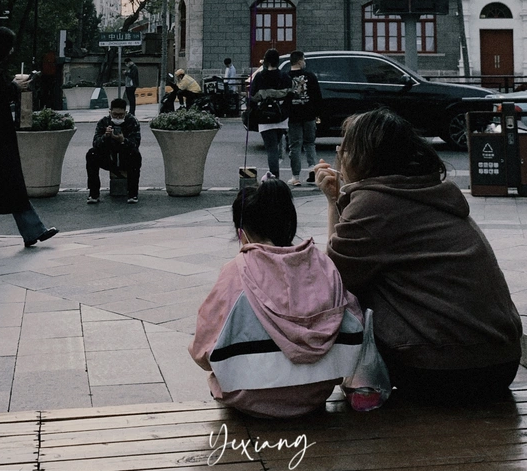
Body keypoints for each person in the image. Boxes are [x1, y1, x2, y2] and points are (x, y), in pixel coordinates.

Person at [316, 107, 523, 406]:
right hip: (500, 363)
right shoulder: (432, 191)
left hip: (444, 370)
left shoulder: (374, 204)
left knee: (356, 295)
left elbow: (335, 278)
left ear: (362, 156)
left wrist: (333, 203)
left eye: (343, 149)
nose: (339, 157)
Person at [188, 178, 366, 417]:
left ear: (242, 234)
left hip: (247, 397)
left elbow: (202, 351)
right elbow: (354, 318)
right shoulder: (322, 264)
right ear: (288, 224)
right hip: (315, 392)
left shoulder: (236, 272)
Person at [0, 27, 58, 248]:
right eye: (9, 47)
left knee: (12, 185)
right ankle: (33, 230)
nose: (11, 51)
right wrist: (15, 87)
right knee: (12, 183)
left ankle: (33, 230)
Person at [86, 97, 142, 203]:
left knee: (135, 155)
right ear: (110, 112)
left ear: (125, 112)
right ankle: (93, 194)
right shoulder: (104, 122)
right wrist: (105, 136)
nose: (117, 117)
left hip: (125, 156)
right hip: (108, 157)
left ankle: (133, 194)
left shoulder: (132, 121)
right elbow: (95, 143)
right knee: (91, 154)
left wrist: (123, 140)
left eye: (121, 115)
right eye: (115, 114)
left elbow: (136, 143)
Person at [249, 48, 291, 180]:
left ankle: (274, 175)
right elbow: (290, 95)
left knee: (271, 148)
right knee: (276, 144)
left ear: (266, 61)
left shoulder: (259, 76)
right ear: (278, 61)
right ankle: (276, 169)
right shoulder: (284, 76)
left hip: (264, 117)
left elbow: (252, 97)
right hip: (280, 117)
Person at [286, 50, 323, 187]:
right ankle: (313, 172)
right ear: (300, 61)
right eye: (304, 60)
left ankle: (295, 177)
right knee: (310, 144)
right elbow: (317, 97)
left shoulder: (286, 77)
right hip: (309, 115)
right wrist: (317, 114)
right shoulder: (310, 76)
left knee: (295, 146)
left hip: (293, 116)